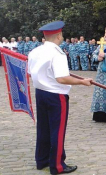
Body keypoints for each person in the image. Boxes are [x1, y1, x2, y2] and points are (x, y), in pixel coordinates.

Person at [28, 21, 92, 174]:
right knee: (57, 130)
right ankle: (57, 166)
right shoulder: (58, 53)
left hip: (41, 93)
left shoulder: (34, 52)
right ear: (58, 35)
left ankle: (42, 160)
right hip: (56, 95)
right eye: (61, 34)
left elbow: (31, 73)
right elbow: (62, 78)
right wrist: (82, 82)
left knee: (43, 128)